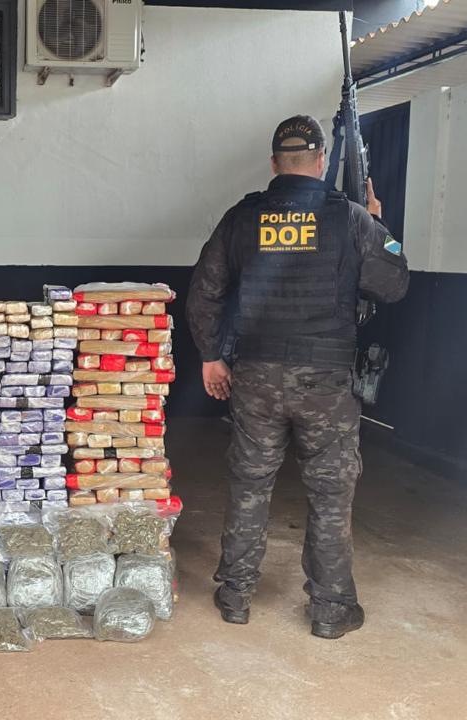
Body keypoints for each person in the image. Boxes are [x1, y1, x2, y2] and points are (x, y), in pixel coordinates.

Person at [186, 115, 409, 639]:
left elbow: (205, 291)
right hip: (326, 381)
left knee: (249, 484)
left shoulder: (243, 217)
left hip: (256, 376)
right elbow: (393, 284)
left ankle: (235, 596)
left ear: (273, 164)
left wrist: (211, 356)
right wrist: (381, 226)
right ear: (322, 161)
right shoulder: (352, 218)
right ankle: (331, 610)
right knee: (331, 494)